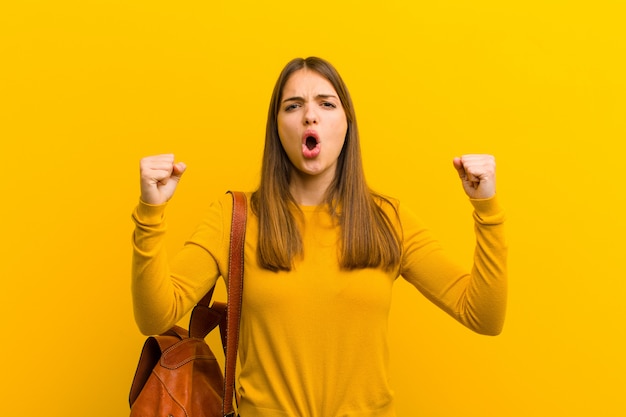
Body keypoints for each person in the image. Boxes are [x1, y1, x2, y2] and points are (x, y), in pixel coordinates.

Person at [131, 56, 507, 417]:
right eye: (293, 106)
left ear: (347, 123)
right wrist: (150, 214)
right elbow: (156, 316)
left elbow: (483, 316)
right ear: (277, 127)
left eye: (326, 103)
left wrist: (486, 209)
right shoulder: (233, 218)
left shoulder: (388, 220)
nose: (310, 114)